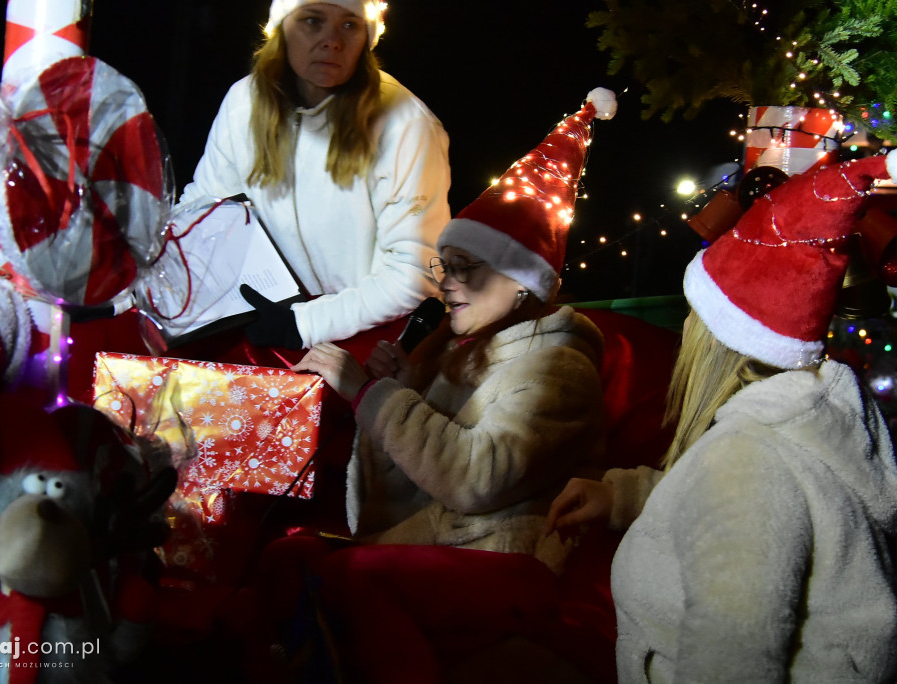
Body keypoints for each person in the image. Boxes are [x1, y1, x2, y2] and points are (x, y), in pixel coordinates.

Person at [547, 152, 897, 680]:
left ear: (714, 334)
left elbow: (731, 662)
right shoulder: (807, 421)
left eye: (693, 310)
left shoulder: (744, 465)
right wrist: (627, 496)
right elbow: (763, 518)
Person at [292, 88, 617, 572]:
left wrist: (371, 396)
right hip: (425, 554)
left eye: (465, 267)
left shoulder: (560, 368)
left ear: (522, 281)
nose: (446, 282)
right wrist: (404, 389)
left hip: (489, 574)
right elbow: (411, 486)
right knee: (289, 558)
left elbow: (475, 478)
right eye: (445, 266)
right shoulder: (458, 351)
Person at [178, 0, 451, 350]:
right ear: (282, 27)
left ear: (367, 36)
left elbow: (418, 274)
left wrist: (305, 324)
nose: (332, 41)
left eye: (349, 25)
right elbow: (205, 214)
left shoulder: (406, 124)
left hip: (366, 346)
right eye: (312, 21)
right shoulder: (243, 102)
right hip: (260, 330)